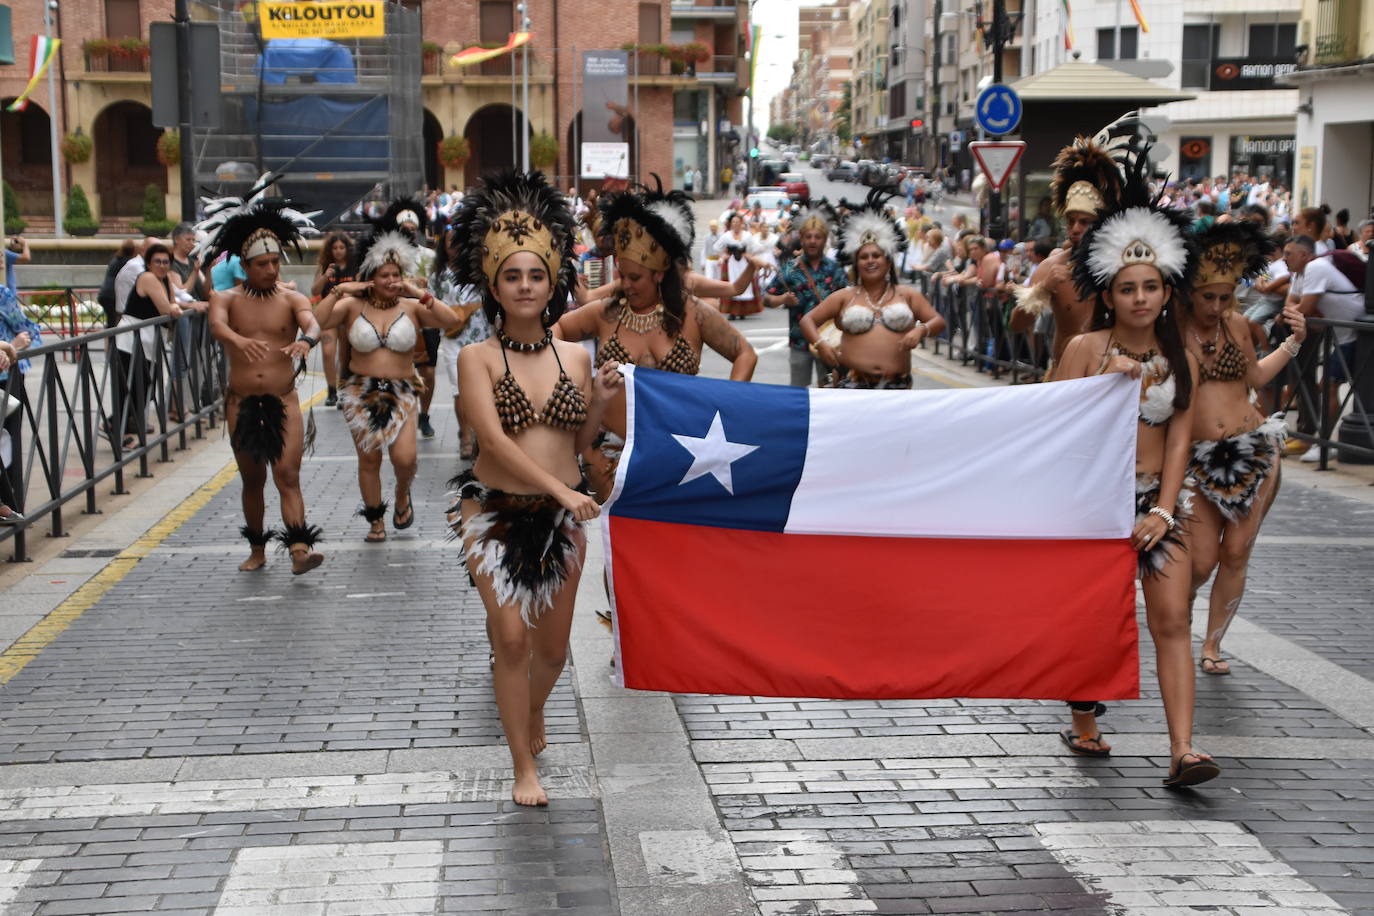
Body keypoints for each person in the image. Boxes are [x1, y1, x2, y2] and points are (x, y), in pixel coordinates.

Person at [448, 171, 620, 807]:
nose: (525, 286)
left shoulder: (575, 355)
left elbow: (579, 444)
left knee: (551, 650)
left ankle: (531, 711)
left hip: (561, 521)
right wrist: (565, 489)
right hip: (492, 514)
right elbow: (493, 445)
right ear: (494, 285)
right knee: (512, 639)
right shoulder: (477, 358)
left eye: (536, 275)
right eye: (513, 276)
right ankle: (523, 763)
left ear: (553, 283)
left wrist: (599, 406)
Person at [1052, 160, 1215, 788]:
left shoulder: (1182, 357)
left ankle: (1183, 751)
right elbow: (1054, 429)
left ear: (1167, 291)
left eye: (1150, 286)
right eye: (1127, 288)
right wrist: (1103, 383)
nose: (1140, 297)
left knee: (1172, 621)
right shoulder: (1083, 351)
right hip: (1092, 504)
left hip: (1158, 506)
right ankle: (1085, 719)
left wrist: (1165, 511)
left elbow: (1179, 440)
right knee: (1090, 625)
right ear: (1109, 294)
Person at [556, 184, 756, 501]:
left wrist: (728, 407)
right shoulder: (605, 314)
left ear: (660, 274)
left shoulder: (694, 314)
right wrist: (578, 383)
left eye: (635, 278)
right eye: (622, 275)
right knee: (622, 544)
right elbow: (554, 333)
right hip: (609, 456)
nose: (625, 285)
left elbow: (744, 353)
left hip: (682, 451)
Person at [1182, 221, 1307, 677]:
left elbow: (1253, 380)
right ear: (1189, 292)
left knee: (1236, 552)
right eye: (1207, 297)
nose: (1216, 306)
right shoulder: (1170, 331)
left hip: (1253, 452)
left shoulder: (1237, 325)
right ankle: (1186, 603)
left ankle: (1213, 645)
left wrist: (1293, 343)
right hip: (1195, 460)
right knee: (1200, 560)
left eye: (1225, 296)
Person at [314, 210, 463, 541]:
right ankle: (376, 521)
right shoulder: (352, 306)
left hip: (403, 391)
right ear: (371, 277)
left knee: (405, 459)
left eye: (397, 274)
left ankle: (400, 495)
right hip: (360, 392)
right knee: (369, 460)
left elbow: (451, 319)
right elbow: (317, 321)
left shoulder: (411, 307)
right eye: (385, 275)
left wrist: (418, 292)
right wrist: (339, 291)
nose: (393, 281)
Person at [206, 202, 326, 574]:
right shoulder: (225, 298)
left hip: (282, 400)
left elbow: (312, 322)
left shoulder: (292, 298)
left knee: (287, 474)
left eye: (275, 262)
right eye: (263, 264)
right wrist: (237, 341)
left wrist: (306, 341)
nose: (271, 269)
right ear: (244, 266)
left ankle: (299, 549)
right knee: (253, 479)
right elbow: (217, 326)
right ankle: (257, 549)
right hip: (241, 402)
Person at [799, 190, 947, 389]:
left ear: (887, 261)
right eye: (864, 257)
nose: (870, 261)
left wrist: (921, 330)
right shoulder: (845, 296)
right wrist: (820, 344)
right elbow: (807, 321)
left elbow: (938, 321)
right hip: (852, 386)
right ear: (856, 263)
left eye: (876, 256)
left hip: (897, 386)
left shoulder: (907, 294)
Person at [1011, 135, 1125, 379]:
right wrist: (1043, 288)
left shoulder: (1124, 268)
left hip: (1112, 380)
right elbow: (1017, 325)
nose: (1075, 228)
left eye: (1085, 222)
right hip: (1066, 380)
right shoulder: (1052, 267)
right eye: (1071, 221)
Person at [1283, 235, 1364, 460]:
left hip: (1350, 333)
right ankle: (1323, 440)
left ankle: (1325, 443)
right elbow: (1290, 306)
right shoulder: (1300, 273)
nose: (1284, 258)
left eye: (1289, 254)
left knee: (1329, 385)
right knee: (1327, 385)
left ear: (1304, 255)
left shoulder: (1316, 268)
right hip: (1339, 334)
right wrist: (1304, 310)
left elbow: (1303, 308)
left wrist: (1308, 310)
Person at [761, 203, 849, 387]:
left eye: (817, 237)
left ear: (825, 239)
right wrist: (782, 299)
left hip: (829, 342)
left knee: (829, 389)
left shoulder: (835, 270)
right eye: (808, 237)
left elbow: (849, 302)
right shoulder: (790, 269)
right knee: (798, 392)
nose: (812, 241)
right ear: (800, 238)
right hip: (799, 342)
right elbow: (766, 298)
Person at [111, 243, 183, 449]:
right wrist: (174, 308)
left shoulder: (164, 279)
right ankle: (119, 431)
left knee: (144, 387)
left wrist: (176, 306)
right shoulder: (148, 278)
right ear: (148, 263)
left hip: (146, 343)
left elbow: (172, 304)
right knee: (130, 388)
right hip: (130, 341)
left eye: (166, 262)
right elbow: (165, 309)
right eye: (157, 261)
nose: (161, 265)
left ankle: (119, 426)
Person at [430, 226, 489, 461]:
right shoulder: (438, 275)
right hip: (454, 338)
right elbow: (432, 305)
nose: (454, 245)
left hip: (484, 334)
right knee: (459, 390)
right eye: (449, 241)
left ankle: (481, 435)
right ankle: (465, 435)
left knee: (484, 390)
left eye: (458, 241)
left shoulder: (480, 270)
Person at [1, 288, 41, 521]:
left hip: (7, 378)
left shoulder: (1, 294)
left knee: (7, 440)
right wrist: (9, 346)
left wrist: (11, 347)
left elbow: (29, 331)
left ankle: (8, 503)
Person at [310, 232, 355, 407]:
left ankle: (343, 389)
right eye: (334, 248)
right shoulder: (324, 266)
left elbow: (361, 287)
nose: (338, 251)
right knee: (328, 352)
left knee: (345, 353)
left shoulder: (353, 266)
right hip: (328, 315)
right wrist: (325, 276)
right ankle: (331, 390)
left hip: (346, 314)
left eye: (341, 248)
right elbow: (314, 291)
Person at [97, 240, 137, 328]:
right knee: (113, 322)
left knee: (112, 321)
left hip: (105, 293)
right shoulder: (128, 262)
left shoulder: (116, 259)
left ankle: (110, 340)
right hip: (112, 295)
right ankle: (112, 341)